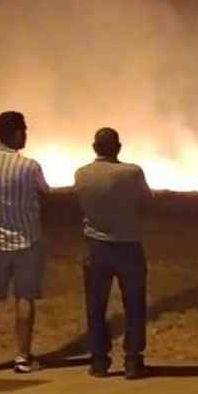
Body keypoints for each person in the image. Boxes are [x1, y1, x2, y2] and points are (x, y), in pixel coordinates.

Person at [73, 128, 152, 379]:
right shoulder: (132, 172)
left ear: (94, 147)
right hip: (128, 244)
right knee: (135, 306)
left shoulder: (82, 173)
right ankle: (132, 360)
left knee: (96, 307)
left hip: (96, 246)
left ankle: (99, 361)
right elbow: (147, 201)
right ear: (118, 147)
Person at [0, 111, 50, 374]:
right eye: (24, 130)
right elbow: (45, 191)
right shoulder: (29, 166)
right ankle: (22, 357)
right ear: (16, 132)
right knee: (25, 298)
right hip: (26, 243)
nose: (26, 135)